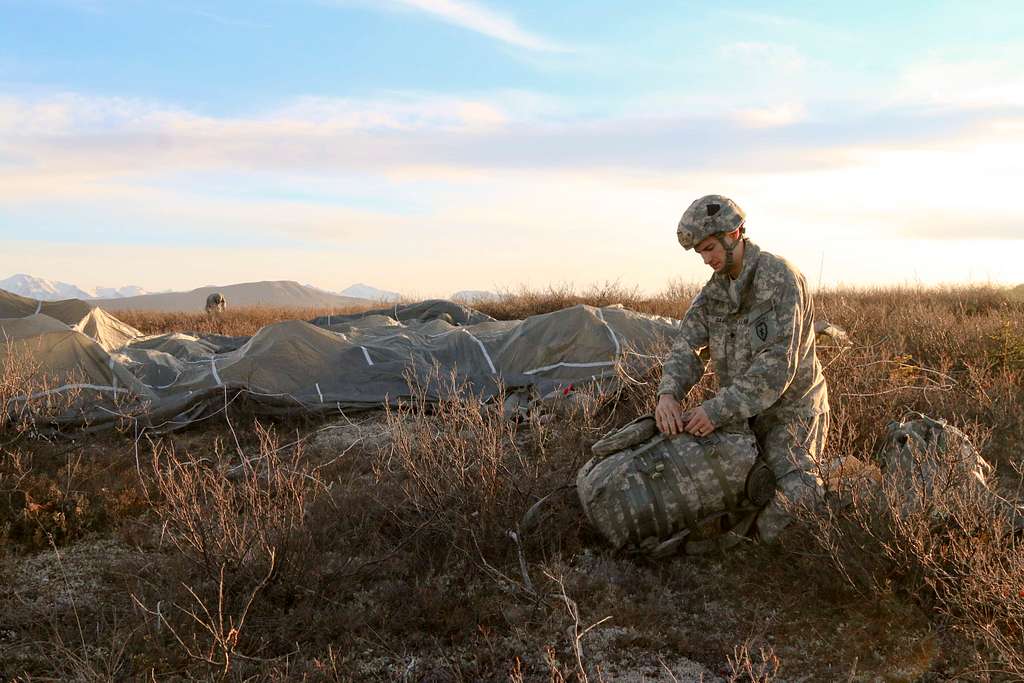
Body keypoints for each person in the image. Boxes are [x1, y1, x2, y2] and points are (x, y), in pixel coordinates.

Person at [654, 195, 829, 542]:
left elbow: (776, 368)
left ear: (734, 233)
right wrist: (668, 395)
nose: (707, 260)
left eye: (710, 249)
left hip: (791, 414)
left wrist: (715, 410)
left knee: (787, 513)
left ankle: (839, 494)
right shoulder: (713, 293)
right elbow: (687, 346)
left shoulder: (780, 278)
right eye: (701, 253)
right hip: (741, 418)